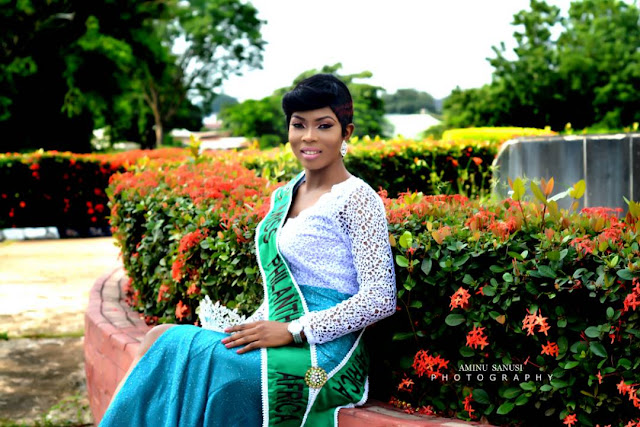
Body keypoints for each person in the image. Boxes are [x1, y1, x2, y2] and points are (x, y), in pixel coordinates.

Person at [99, 74, 397, 426]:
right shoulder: (284, 195)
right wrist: (253, 327)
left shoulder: (357, 198)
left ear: (346, 133)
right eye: (298, 125)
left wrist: (294, 330)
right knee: (159, 337)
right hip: (279, 331)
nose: (309, 136)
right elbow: (280, 288)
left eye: (324, 125)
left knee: (214, 364)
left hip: (324, 359)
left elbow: (380, 298)